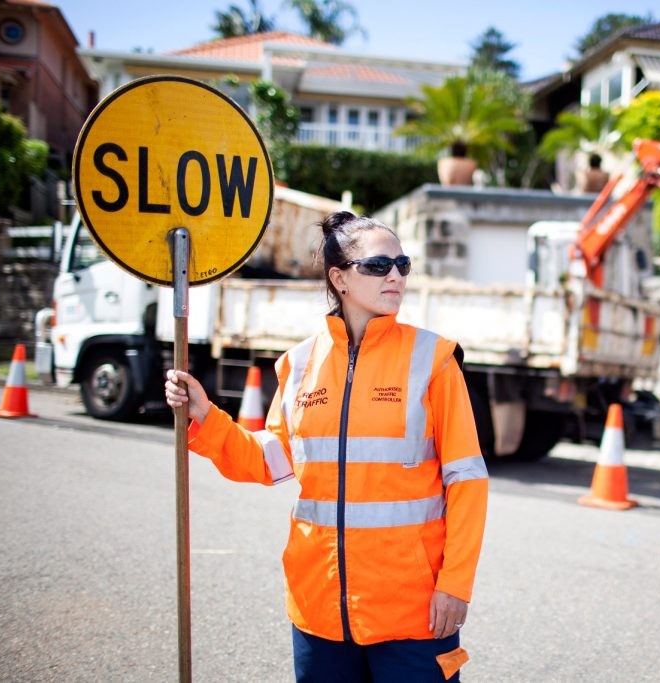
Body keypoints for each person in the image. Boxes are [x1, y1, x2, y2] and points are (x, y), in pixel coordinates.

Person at [165, 211, 489, 681]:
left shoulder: (433, 361)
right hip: (319, 607)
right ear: (339, 278)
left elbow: (467, 480)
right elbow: (270, 462)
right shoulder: (297, 366)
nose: (395, 274)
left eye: (402, 263)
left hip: (414, 612)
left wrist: (455, 584)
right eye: (378, 265)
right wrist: (206, 417)